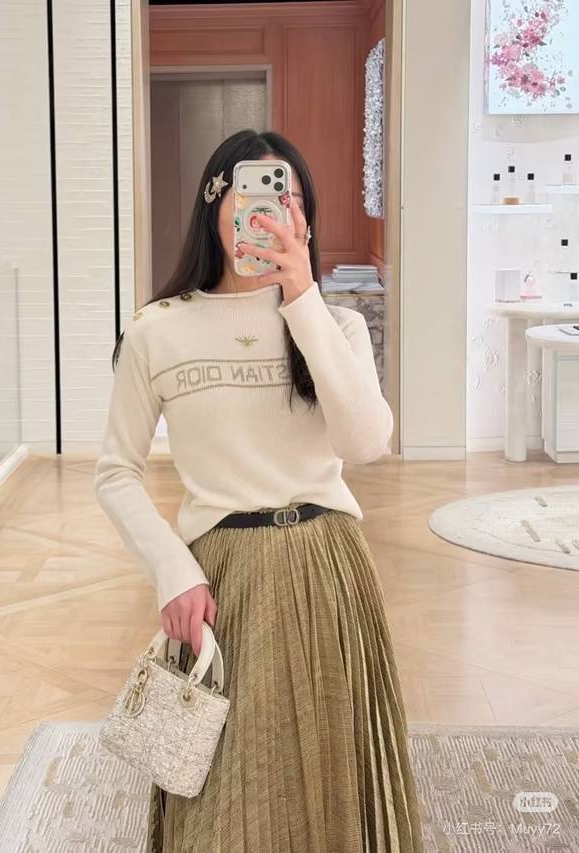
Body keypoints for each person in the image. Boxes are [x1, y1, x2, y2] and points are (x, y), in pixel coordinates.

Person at [94, 128, 425, 853]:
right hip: (223, 579)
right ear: (216, 203)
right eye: (252, 195)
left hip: (328, 569)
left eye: (289, 200)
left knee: (332, 776)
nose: (270, 213)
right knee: (228, 792)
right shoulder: (157, 330)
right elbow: (115, 471)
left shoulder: (334, 325)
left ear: (306, 220)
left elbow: (366, 443)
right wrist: (172, 570)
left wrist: (302, 296)